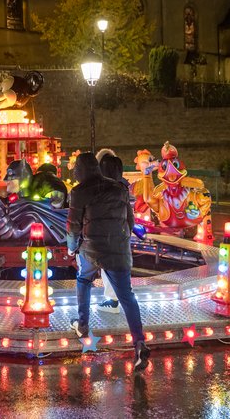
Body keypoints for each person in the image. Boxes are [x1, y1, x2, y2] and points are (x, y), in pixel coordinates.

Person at [66, 151, 150, 371]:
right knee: (127, 296)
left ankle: (82, 325)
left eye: (76, 169)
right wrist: (120, 241)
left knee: (83, 280)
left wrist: (71, 248)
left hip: (92, 249)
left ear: (83, 170)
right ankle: (139, 343)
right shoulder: (119, 188)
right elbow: (130, 221)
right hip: (118, 250)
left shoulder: (79, 191)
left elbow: (73, 226)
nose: (74, 172)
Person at [95, 149, 130, 314]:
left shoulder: (102, 187)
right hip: (122, 231)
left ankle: (112, 301)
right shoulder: (122, 186)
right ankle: (121, 297)